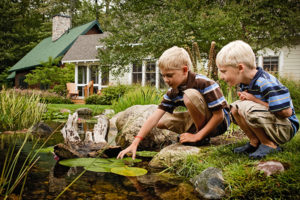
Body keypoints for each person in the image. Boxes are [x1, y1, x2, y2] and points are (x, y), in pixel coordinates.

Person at [117, 46, 231, 159]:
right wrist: (135, 142)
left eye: (169, 75)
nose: (166, 80)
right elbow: (154, 117)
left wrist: (197, 136)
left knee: (189, 95)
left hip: (219, 124)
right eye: (163, 76)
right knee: (161, 122)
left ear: (185, 70)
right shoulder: (173, 92)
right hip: (201, 120)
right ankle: (193, 133)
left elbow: (219, 116)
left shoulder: (204, 83)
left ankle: (200, 137)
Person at [216, 40, 299, 159]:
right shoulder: (246, 82)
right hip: (274, 125)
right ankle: (254, 142)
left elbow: (286, 112)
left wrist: (253, 100)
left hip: (285, 128)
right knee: (235, 108)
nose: (221, 77)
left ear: (240, 68)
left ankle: (269, 145)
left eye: (224, 71)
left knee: (246, 108)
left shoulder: (266, 82)